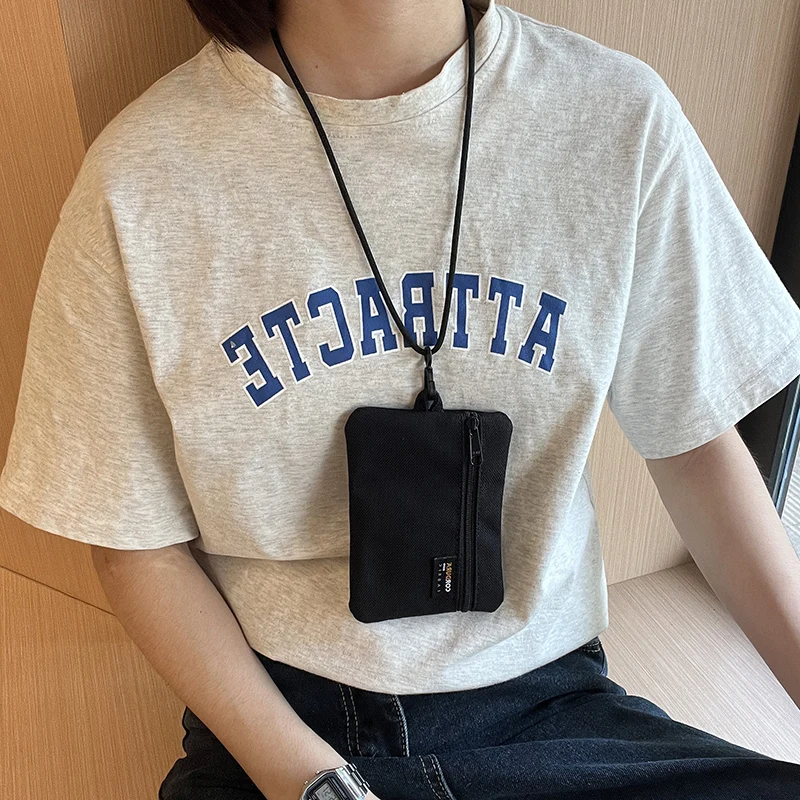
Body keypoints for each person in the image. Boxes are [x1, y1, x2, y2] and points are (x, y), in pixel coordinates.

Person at [1, 0, 800, 797]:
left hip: (551, 709)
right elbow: (136, 546)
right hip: (277, 723)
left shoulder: (617, 118)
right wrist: (312, 782)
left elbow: (697, 449)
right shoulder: (138, 177)